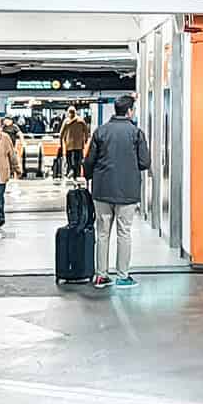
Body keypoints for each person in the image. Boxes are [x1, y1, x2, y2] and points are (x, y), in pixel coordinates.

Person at [83, 94, 150, 289]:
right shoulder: (136, 133)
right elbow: (145, 163)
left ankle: (101, 276)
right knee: (124, 232)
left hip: (102, 190)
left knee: (102, 233)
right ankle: (122, 276)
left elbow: (89, 161)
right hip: (127, 192)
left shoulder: (101, 132)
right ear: (130, 111)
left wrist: (88, 176)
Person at [59, 107, 90, 182]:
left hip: (69, 145)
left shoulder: (66, 121)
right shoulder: (81, 121)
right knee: (78, 162)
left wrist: (61, 143)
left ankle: (70, 172)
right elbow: (86, 132)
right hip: (79, 146)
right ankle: (77, 176)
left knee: (69, 161)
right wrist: (85, 140)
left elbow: (61, 134)